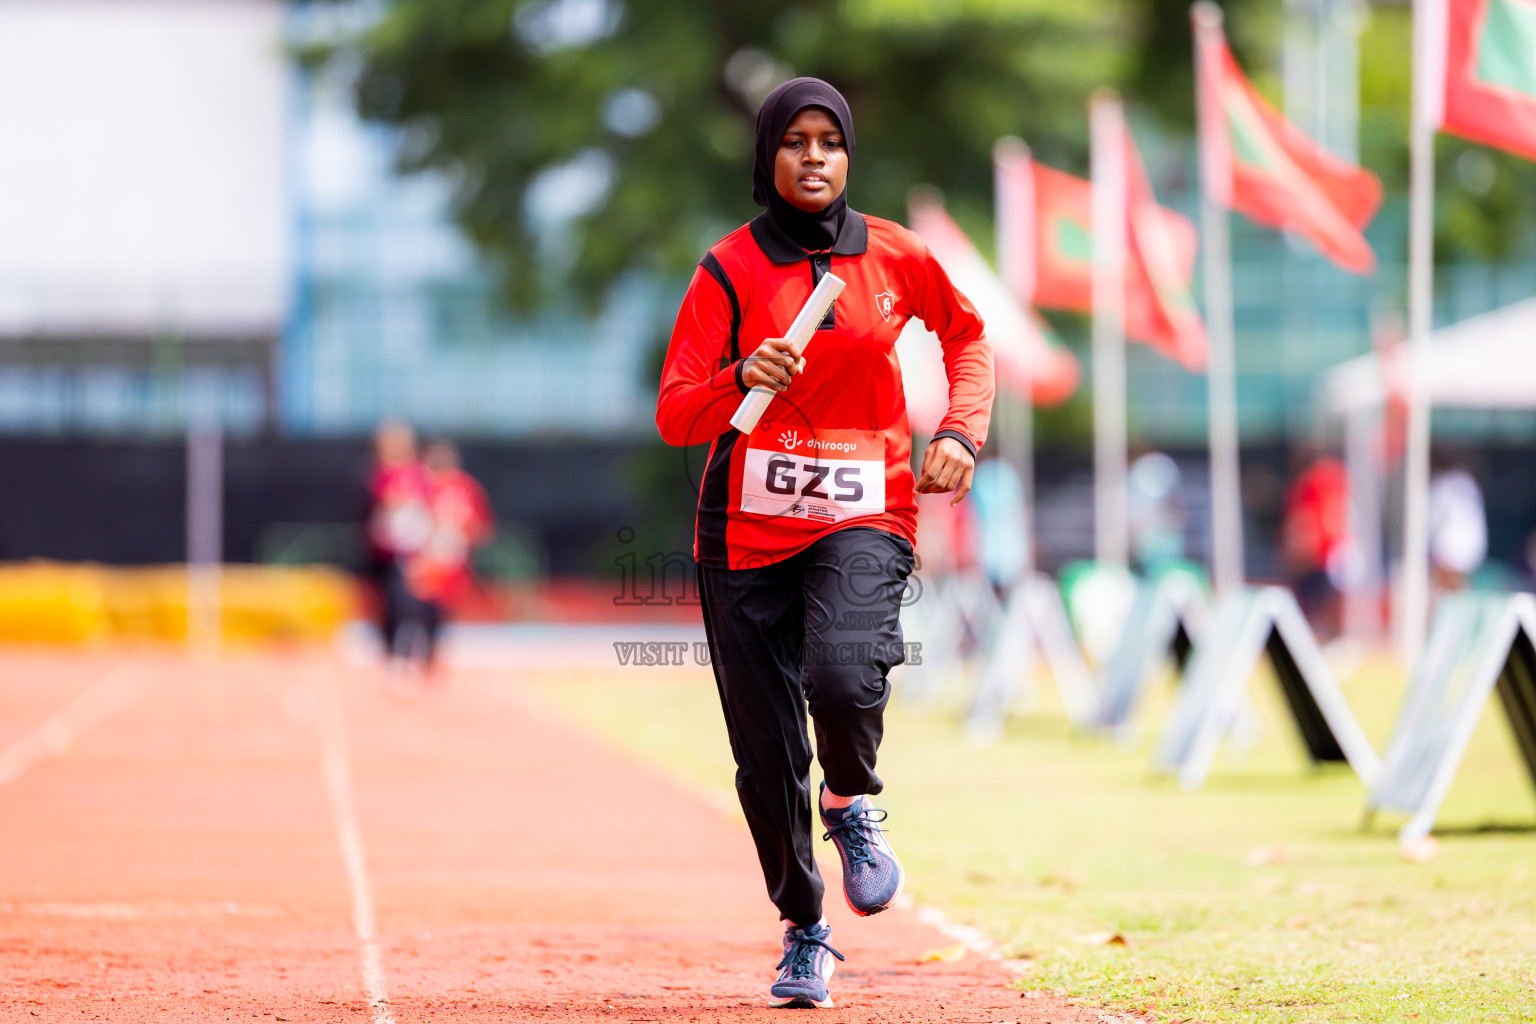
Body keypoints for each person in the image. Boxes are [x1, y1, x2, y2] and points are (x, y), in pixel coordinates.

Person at [655, 78, 992, 1010]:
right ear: (767, 157)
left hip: (862, 511)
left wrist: (960, 432)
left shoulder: (894, 255)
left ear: (848, 156)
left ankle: (852, 797)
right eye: (795, 141)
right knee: (766, 759)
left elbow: (967, 336)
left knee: (846, 675)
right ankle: (804, 929)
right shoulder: (728, 270)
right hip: (744, 533)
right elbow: (677, 415)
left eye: (829, 142)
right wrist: (737, 375)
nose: (813, 157)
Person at [406, 439, 495, 672]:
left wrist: (458, 537)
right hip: (432, 557)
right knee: (427, 606)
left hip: (448, 559)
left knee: (439, 608)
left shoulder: (461, 487)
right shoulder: (430, 486)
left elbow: (481, 526)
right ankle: (425, 651)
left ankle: (429, 651)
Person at [364, 420, 434, 670]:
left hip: (412, 553)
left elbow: (425, 507)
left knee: (411, 603)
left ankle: (411, 654)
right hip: (384, 551)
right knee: (386, 604)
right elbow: (379, 506)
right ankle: (390, 652)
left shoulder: (418, 474)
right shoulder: (380, 473)